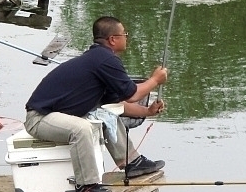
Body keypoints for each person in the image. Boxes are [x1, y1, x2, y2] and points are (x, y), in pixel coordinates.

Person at [24, 17, 168, 192]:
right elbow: (132, 94)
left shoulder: (100, 59)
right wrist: (155, 80)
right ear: (113, 39)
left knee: (106, 115)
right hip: (40, 118)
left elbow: (117, 103)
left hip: (58, 116)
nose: (127, 37)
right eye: (125, 34)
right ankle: (87, 185)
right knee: (81, 128)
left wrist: (147, 111)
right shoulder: (104, 59)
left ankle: (133, 163)